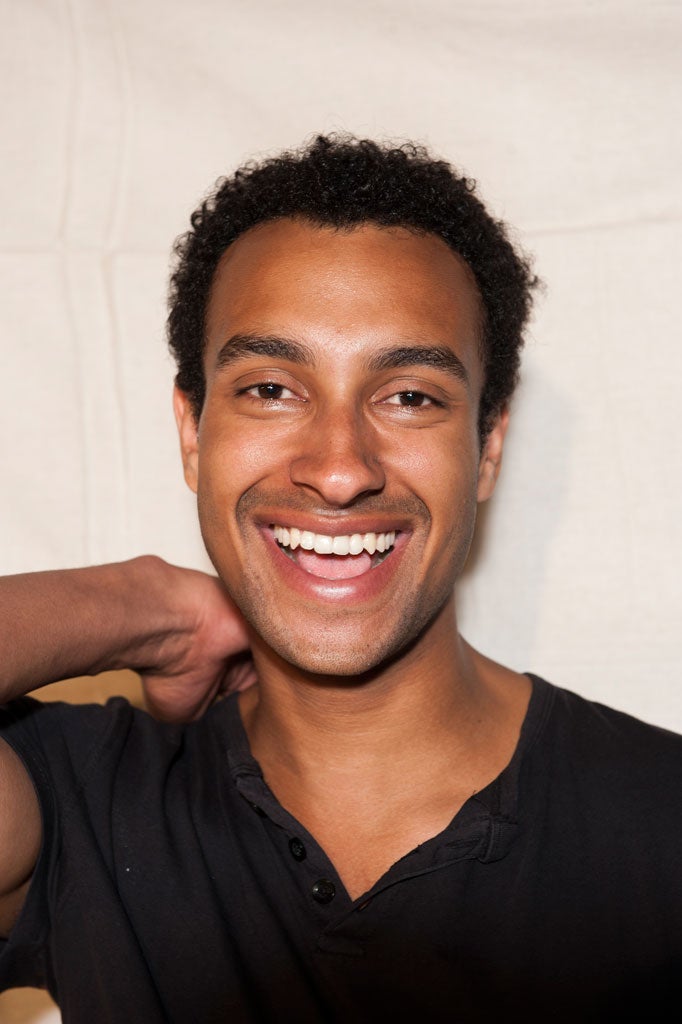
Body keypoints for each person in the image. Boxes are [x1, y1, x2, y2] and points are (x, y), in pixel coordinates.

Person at [1, 134, 681, 1022]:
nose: (338, 469)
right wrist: (145, 606)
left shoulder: (661, 820)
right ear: (192, 434)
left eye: (410, 396)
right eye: (270, 389)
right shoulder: (87, 801)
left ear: (487, 448)